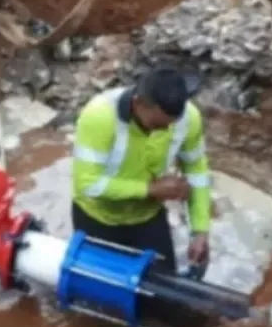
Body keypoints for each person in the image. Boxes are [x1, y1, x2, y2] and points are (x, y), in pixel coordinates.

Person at [71, 67, 211, 275]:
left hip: (147, 217)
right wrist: (150, 190)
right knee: (104, 288)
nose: (163, 131)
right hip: (97, 217)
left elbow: (196, 171)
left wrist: (200, 230)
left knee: (162, 290)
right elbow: (88, 184)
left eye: (170, 125)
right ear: (137, 103)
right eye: (156, 124)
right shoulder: (100, 117)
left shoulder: (188, 118)